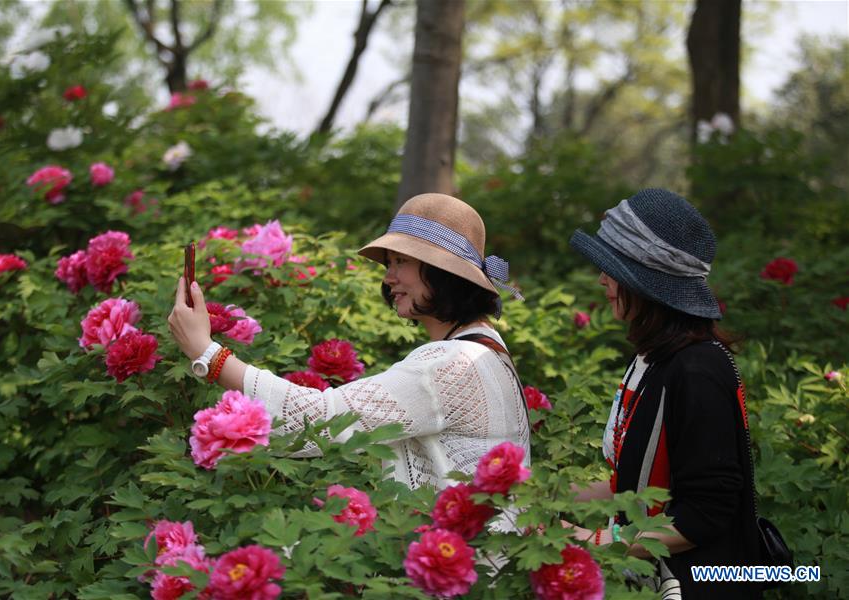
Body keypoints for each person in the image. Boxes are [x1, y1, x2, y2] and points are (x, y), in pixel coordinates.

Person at [168, 192, 529, 490]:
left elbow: (324, 420)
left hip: (471, 568)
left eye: (400, 261)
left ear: (443, 273)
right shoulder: (486, 347)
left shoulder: (450, 364)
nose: (388, 278)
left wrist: (208, 352)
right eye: (389, 262)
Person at [566, 188, 762, 598]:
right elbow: (636, 487)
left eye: (611, 268)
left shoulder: (697, 371)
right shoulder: (655, 360)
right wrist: (543, 495)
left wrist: (594, 540)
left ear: (645, 283)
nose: (602, 278)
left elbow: (704, 515)